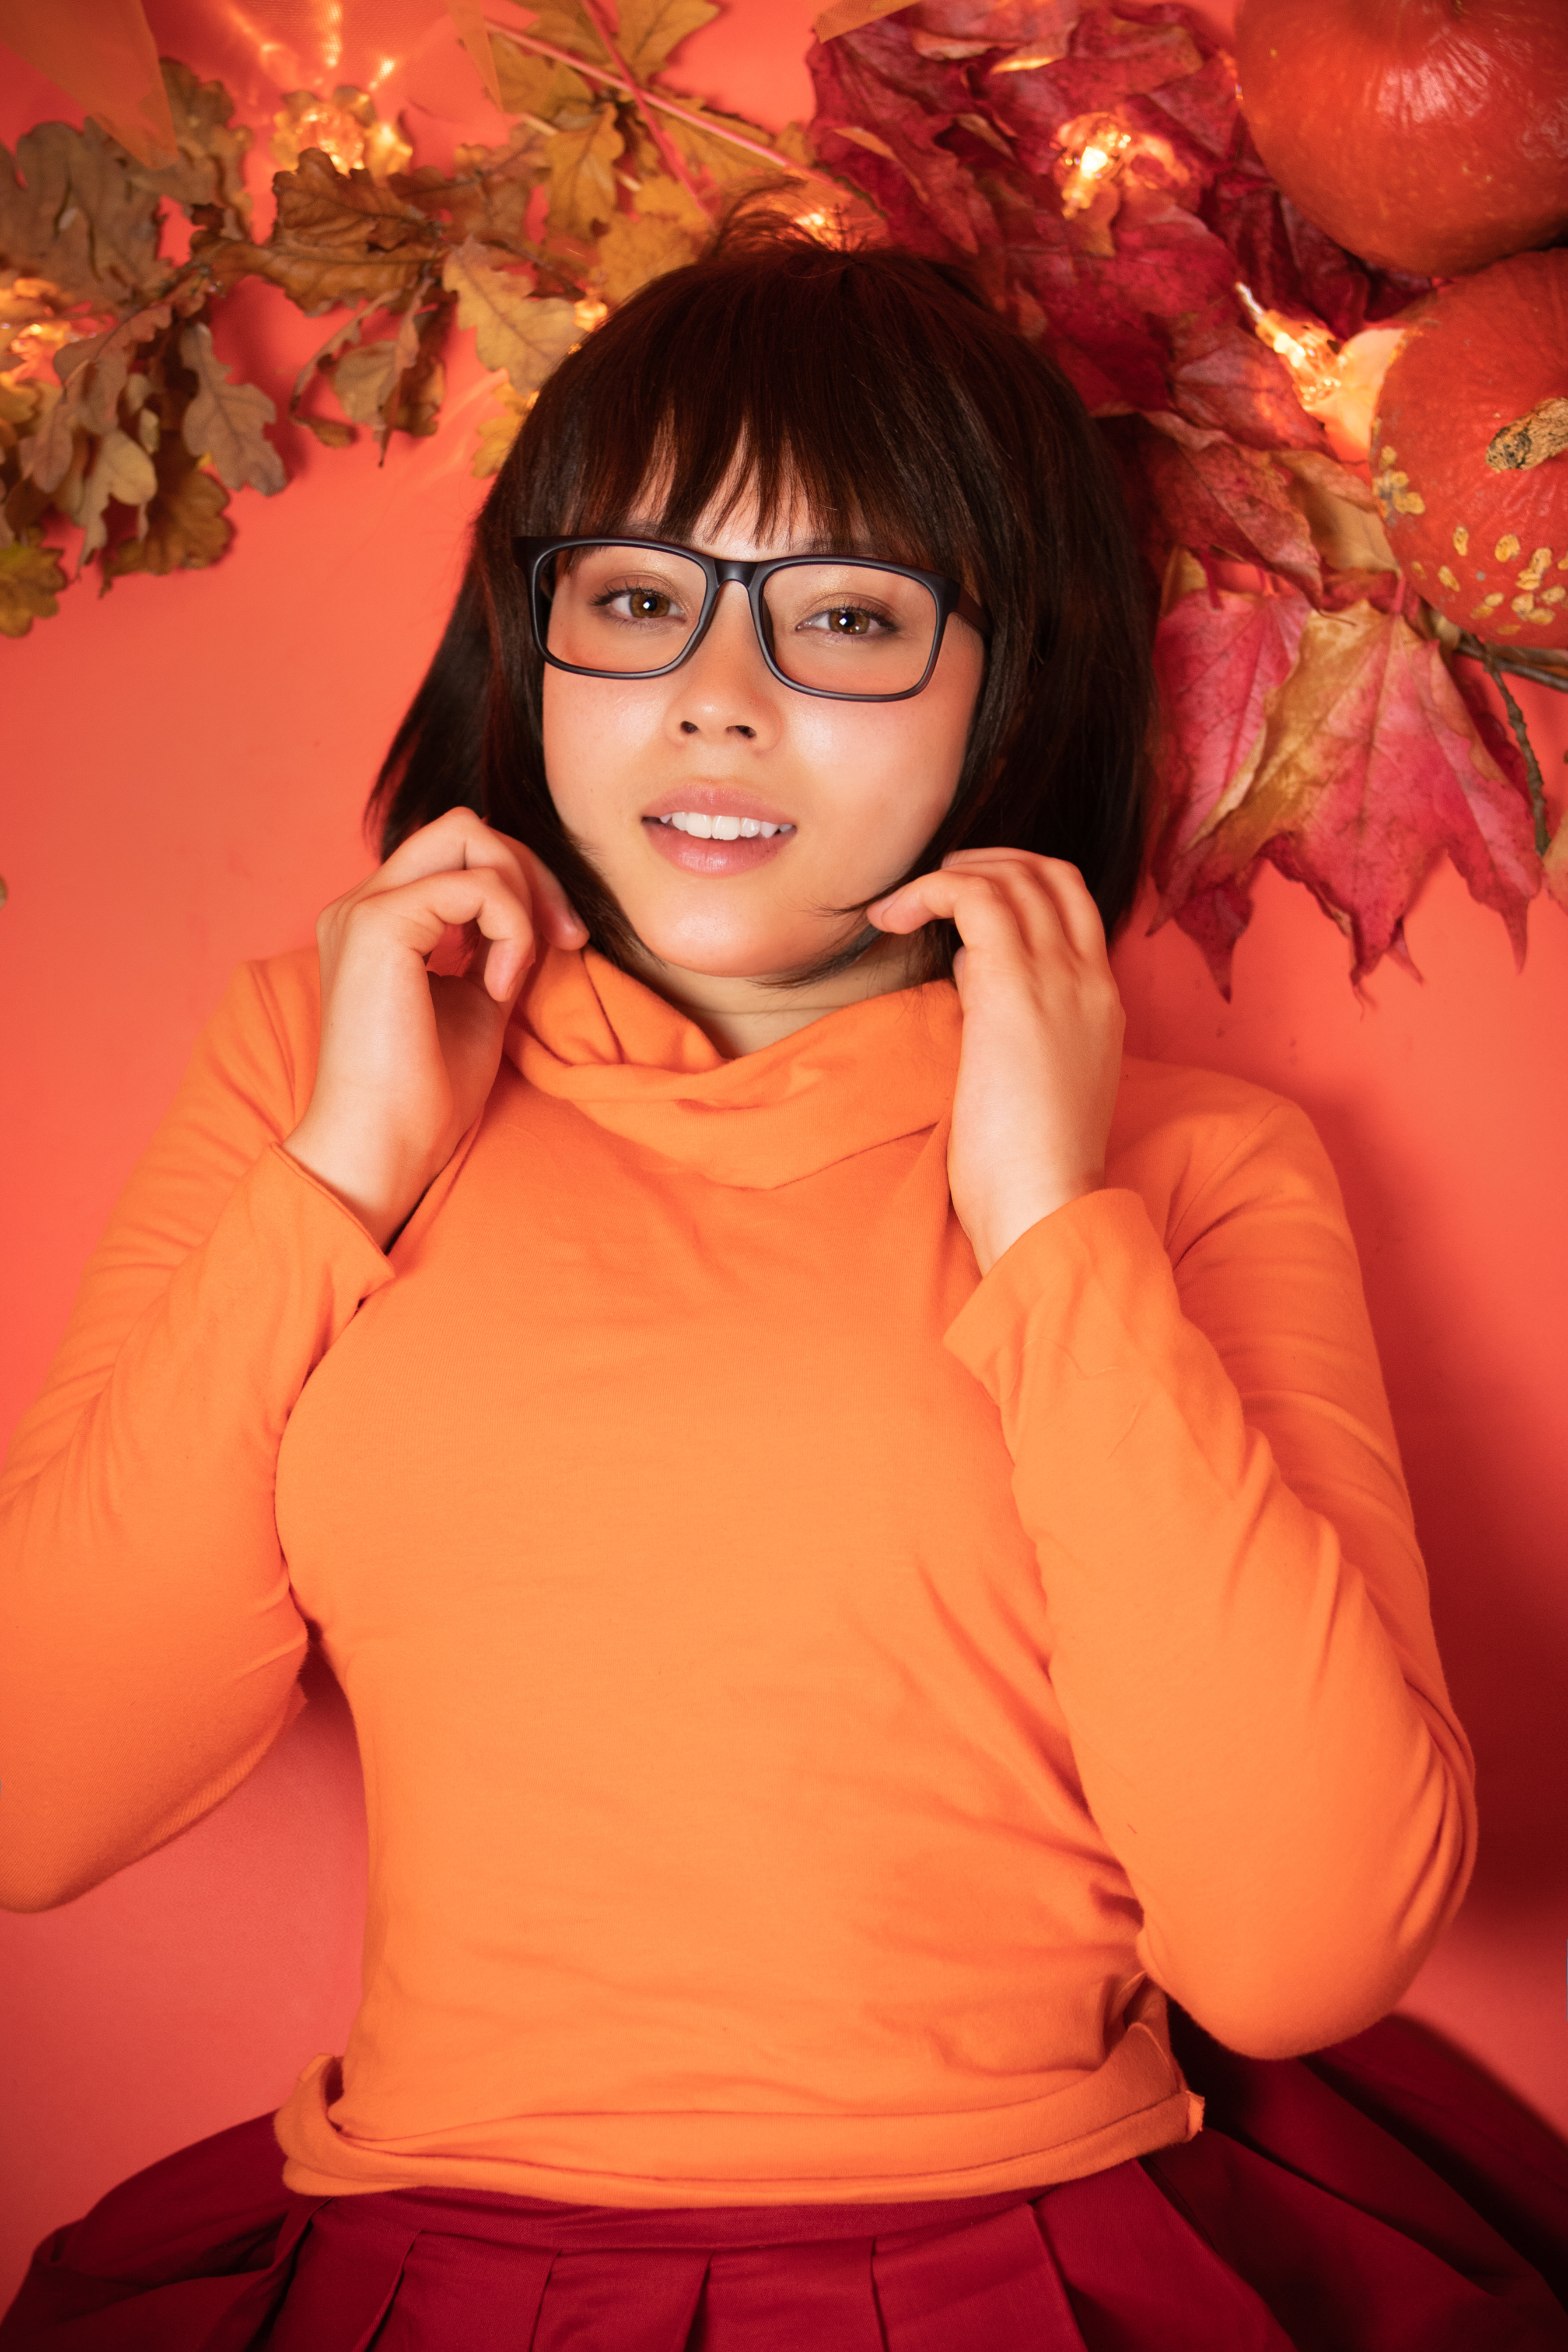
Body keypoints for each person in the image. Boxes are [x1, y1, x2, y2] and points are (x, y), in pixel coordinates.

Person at [2, 212, 1566, 2351]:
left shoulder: (1189, 1171)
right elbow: (37, 1795)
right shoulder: (316, 1071)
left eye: (845, 620)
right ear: (531, 636)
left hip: (1042, 2267)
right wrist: (343, 1172)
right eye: (639, 600)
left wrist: (1049, 1222)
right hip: (434, 2270)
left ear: (1011, 685)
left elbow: (1303, 1946)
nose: (716, 706)